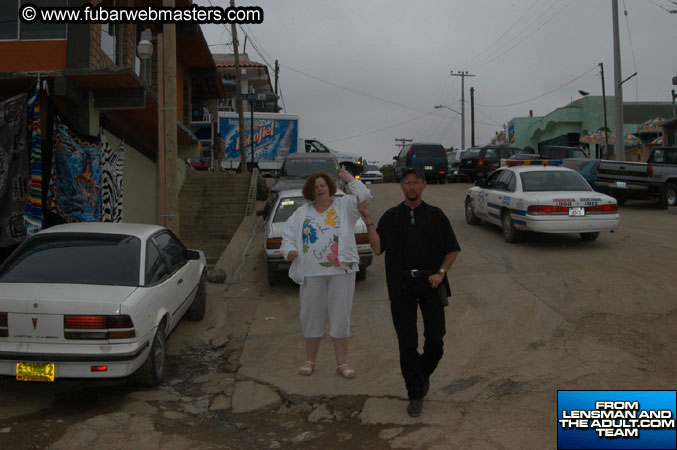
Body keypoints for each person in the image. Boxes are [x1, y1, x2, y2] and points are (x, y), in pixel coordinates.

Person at [357, 166, 460, 417]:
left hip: (431, 283)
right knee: (407, 343)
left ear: (423, 185)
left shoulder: (436, 215)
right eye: (407, 182)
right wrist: (367, 218)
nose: (411, 187)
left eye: (416, 182)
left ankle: (421, 374)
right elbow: (379, 247)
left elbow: (452, 249)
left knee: (436, 340)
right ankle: (415, 393)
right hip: (401, 285)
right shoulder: (392, 217)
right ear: (401, 186)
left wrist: (441, 273)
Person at [280, 169, 372, 379]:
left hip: (342, 270)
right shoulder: (302, 213)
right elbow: (287, 235)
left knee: (341, 316)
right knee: (311, 316)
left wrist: (348, 177)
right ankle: (310, 360)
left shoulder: (345, 205)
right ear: (310, 192)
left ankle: (342, 363)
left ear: (329, 187)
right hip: (311, 272)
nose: (319, 189)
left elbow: (364, 196)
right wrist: (289, 251)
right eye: (315, 187)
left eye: (322, 185)